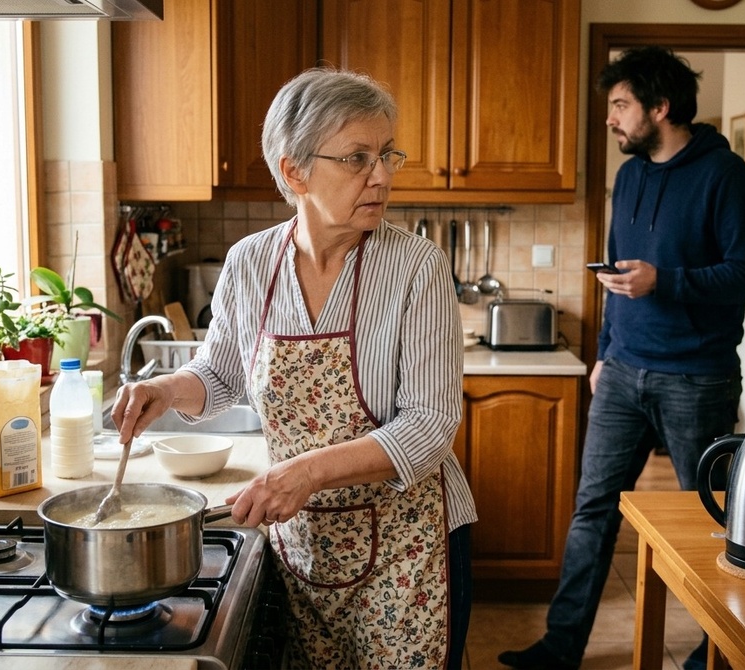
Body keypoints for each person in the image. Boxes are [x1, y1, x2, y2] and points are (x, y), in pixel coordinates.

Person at [111, 67, 476, 670]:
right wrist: (170, 388)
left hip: (414, 547)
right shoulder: (250, 262)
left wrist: (304, 473)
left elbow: (430, 424)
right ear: (294, 171)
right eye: (358, 158)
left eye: (388, 155)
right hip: (304, 544)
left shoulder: (418, 268)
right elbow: (223, 373)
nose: (381, 176)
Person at [499, 46, 745, 670]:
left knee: (711, 520)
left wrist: (666, 282)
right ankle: (561, 647)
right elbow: (620, 275)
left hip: (697, 377)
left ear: (661, 107)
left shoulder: (726, 177)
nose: (610, 118)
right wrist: (604, 353)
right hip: (623, 372)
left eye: (620, 105)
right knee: (593, 510)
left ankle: (715, 654)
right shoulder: (629, 177)